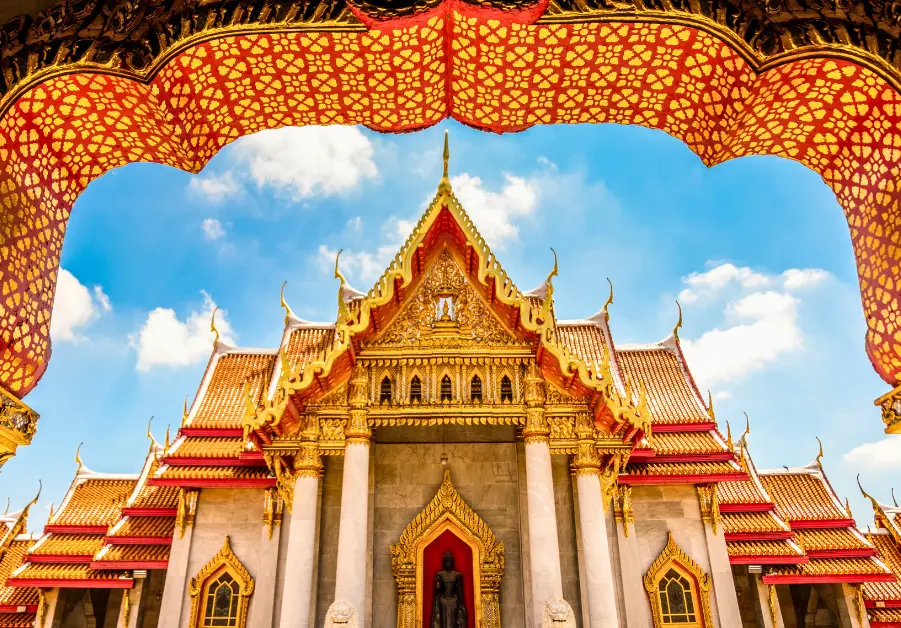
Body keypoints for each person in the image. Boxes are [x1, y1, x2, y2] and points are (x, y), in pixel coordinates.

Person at [431, 551, 467, 628]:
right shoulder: (440, 574)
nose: (448, 563)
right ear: (444, 562)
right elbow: (437, 591)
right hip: (443, 600)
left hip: (454, 600)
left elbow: (460, 590)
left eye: (450, 561)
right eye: (446, 561)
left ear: (452, 562)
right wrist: (437, 585)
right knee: (443, 622)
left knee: (453, 622)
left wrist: (462, 604)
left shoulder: (457, 574)